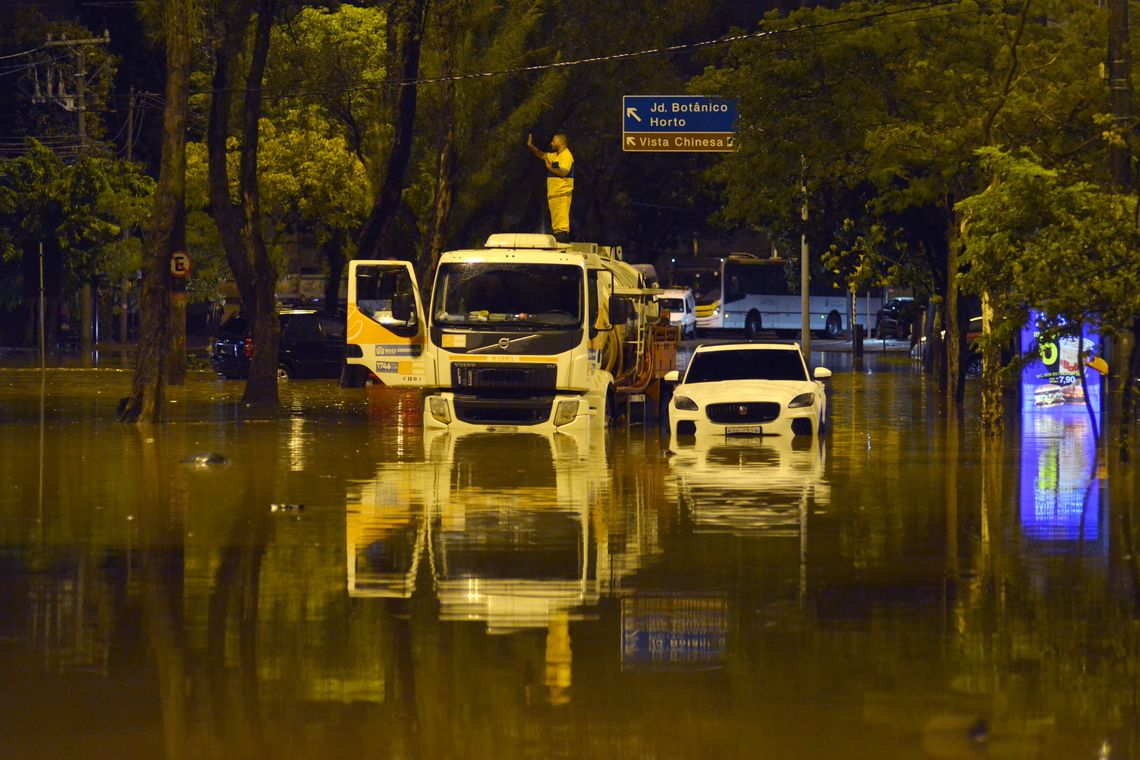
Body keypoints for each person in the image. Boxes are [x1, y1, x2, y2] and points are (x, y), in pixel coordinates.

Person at [527, 132, 574, 242]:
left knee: (561, 226)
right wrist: (531, 146)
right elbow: (542, 155)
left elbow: (563, 172)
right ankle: (560, 244)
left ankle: (562, 249)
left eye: (554, 141)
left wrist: (549, 167)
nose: (551, 143)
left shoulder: (566, 155)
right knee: (557, 225)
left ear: (561, 142)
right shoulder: (555, 156)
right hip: (555, 195)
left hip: (561, 195)